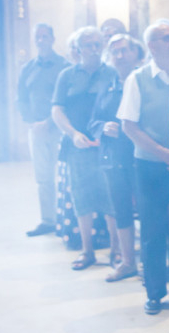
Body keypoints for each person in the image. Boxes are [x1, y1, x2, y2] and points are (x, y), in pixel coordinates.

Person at [118, 20, 169, 315]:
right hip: (149, 166)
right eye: (167, 38)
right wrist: (162, 153)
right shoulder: (137, 79)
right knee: (152, 231)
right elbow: (129, 126)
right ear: (151, 46)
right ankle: (154, 293)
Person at [51, 27, 120, 270]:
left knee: (111, 198)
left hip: (107, 145)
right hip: (78, 145)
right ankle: (87, 251)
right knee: (82, 198)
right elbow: (57, 109)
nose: (93, 49)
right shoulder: (67, 75)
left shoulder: (112, 73)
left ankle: (116, 250)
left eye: (97, 44)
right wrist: (73, 133)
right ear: (78, 49)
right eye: (88, 45)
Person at [88, 34, 144, 282]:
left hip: (141, 157)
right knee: (120, 209)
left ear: (135, 53)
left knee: (148, 212)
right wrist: (103, 127)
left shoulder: (143, 82)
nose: (120, 56)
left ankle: (151, 263)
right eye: (115, 52)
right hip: (114, 157)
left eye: (124, 51)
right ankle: (128, 262)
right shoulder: (107, 86)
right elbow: (93, 121)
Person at [16, 23, 69, 237]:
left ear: (53, 39)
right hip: (36, 129)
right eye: (38, 37)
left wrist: (49, 122)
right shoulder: (28, 68)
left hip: (59, 128)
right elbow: (21, 98)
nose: (41, 40)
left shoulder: (64, 66)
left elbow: (67, 99)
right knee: (43, 177)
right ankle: (48, 220)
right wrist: (30, 122)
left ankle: (66, 219)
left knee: (63, 175)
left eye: (45, 36)